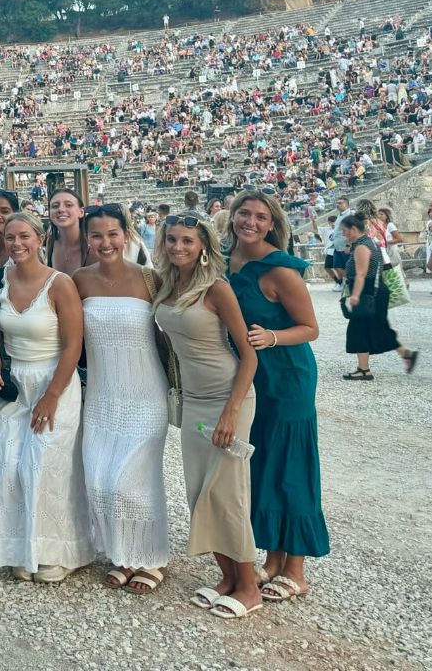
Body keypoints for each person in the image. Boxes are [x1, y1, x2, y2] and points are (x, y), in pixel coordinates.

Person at [151, 212, 261, 620]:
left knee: (227, 492)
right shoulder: (166, 284)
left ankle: (249, 588)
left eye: (187, 241)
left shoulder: (216, 289)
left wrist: (231, 413)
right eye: (171, 240)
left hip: (228, 397)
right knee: (200, 491)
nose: (178, 247)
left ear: (202, 247)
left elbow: (248, 355)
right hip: (194, 400)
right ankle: (227, 578)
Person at [225, 190, 329, 601]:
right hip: (248, 378)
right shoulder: (220, 262)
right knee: (261, 463)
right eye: (244, 213)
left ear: (272, 224)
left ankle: (297, 568)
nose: (250, 222)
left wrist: (271, 336)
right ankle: (272, 558)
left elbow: (310, 327)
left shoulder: (281, 269)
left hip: (287, 377)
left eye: (260, 217)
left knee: (292, 465)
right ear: (231, 217)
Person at [0, 211, 92, 582]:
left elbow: (73, 345)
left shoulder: (60, 284)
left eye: (24, 237)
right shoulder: (0, 277)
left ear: (40, 238)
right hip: (16, 385)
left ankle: (58, 550)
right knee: (11, 463)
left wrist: (52, 396)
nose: (16, 244)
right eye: (10, 238)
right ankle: (19, 546)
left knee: (48, 466)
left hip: (53, 379)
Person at [72, 204, 168, 593]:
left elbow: (174, 333)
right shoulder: (79, 280)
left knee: (133, 482)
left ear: (126, 234)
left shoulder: (151, 279)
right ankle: (120, 554)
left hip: (146, 394)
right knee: (99, 480)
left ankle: (153, 556)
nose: (105, 242)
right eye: (97, 235)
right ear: (88, 239)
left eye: (112, 233)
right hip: (102, 395)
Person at [340, 214, 419, 379]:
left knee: (358, 328)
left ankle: (364, 370)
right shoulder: (368, 243)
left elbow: (361, 274)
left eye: (345, 231)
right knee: (378, 327)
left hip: (366, 291)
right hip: (376, 291)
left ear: (354, 229)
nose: (343, 234)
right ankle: (406, 354)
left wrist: (355, 296)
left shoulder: (362, 247)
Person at [45, 187, 87, 276]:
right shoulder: (51, 242)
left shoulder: (91, 246)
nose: (61, 209)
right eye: (55, 206)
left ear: (81, 212)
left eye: (68, 205)